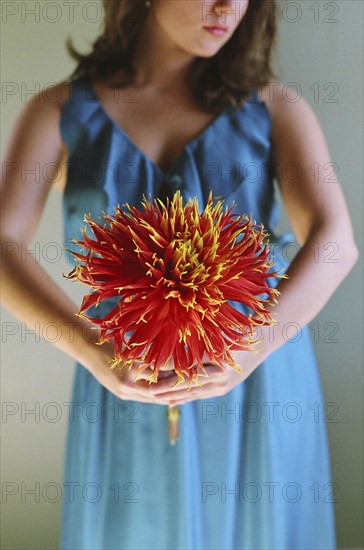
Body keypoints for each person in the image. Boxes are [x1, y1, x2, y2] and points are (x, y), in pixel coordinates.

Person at [1, 0, 359, 549]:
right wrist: (92, 348)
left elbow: (336, 243)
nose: (227, 7)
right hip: (121, 372)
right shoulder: (59, 113)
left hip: (254, 373)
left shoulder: (275, 108)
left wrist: (251, 349)